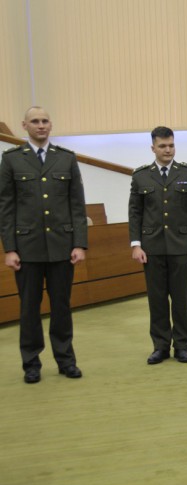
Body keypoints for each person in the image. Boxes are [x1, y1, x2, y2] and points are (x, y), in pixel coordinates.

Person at [0, 106, 88, 383]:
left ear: (51, 125)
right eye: (35, 121)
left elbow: (76, 204)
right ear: (24, 125)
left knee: (61, 306)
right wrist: (10, 248)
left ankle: (65, 360)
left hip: (62, 246)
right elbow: (6, 207)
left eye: (45, 121)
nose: (41, 125)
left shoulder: (65, 159)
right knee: (29, 308)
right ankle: (31, 363)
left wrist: (79, 244)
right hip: (27, 249)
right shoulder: (12, 159)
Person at [129, 126, 187, 365]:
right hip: (151, 248)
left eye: (171, 145)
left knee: (180, 299)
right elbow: (135, 213)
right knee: (157, 300)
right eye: (162, 146)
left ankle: (182, 346)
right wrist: (136, 244)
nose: (168, 150)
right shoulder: (140, 176)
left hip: (181, 246)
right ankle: (160, 346)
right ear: (153, 147)